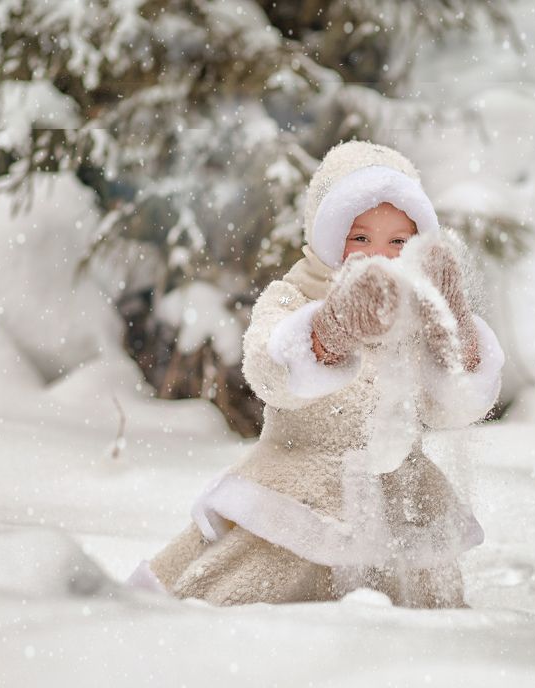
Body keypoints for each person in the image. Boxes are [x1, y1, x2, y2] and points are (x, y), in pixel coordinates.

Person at [125, 139, 505, 608]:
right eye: (360, 238)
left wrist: (454, 328)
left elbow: (451, 407)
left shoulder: (415, 315)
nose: (379, 256)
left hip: (396, 492)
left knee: (427, 605)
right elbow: (269, 369)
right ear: (328, 234)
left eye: (398, 242)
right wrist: (331, 328)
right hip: (300, 487)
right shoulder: (295, 296)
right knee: (251, 589)